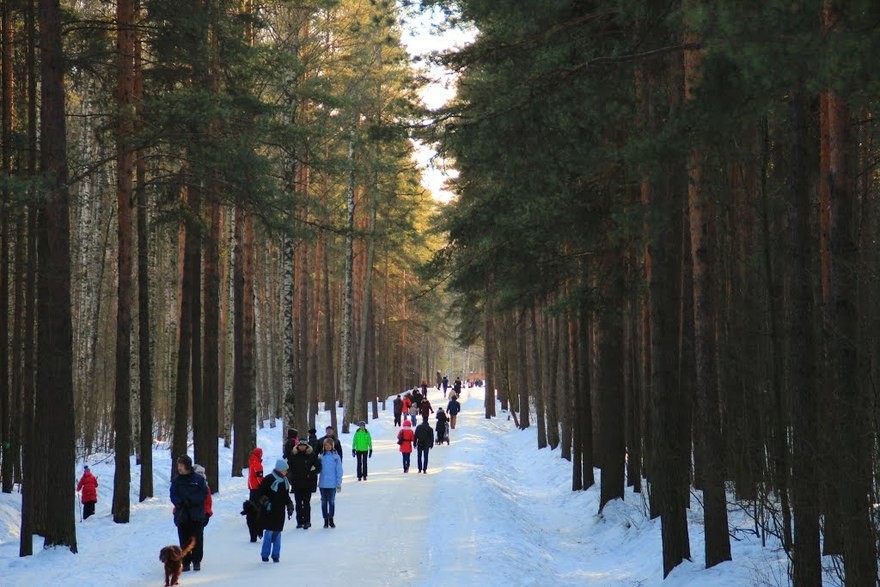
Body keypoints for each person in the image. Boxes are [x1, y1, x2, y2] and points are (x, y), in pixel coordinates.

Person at [170, 455, 208, 572]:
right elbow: (173, 495)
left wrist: (191, 500)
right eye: (178, 465)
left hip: (196, 514)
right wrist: (180, 502)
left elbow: (203, 494)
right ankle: (185, 562)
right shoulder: (176, 481)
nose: (179, 468)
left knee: (197, 538)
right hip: (182, 514)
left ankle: (196, 561)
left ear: (187, 466)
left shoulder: (198, 480)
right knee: (184, 539)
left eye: (181, 465)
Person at [257, 459, 294, 562]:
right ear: (280, 469)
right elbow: (260, 493)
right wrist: (266, 503)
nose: (286, 472)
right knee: (269, 533)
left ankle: (276, 555)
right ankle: (265, 554)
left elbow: (285, 496)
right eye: (285, 470)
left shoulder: (285, 481)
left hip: (280, 512)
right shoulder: (269, 479)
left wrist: (289, 505)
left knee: (277, 533)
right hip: (269, 511)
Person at [288, 439, 321, 529]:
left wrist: (313, 471)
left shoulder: (311, 455)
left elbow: (318, 466)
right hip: (296, 483)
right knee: (298, 503)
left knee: (306, 502)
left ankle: (307, 521)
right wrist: (290, 477)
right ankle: (299, 521)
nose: (302, 447)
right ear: (298, 446)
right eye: (300, 445)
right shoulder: (293, 455)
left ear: (306, 446)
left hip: (308, 483)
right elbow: (288, 468)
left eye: (304, 445)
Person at [319, 438, 344, 528]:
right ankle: (325, 520)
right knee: (324, 502)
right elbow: (317, 469)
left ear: (332, 446)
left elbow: (339, 470)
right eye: (326, 445)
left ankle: (331, 519)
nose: (327, 447)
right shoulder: (321, 456)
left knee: (331, 502)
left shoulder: (336, 457)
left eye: (329, 445)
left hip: (332, 484)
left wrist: (338, 482)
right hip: (322, 483)